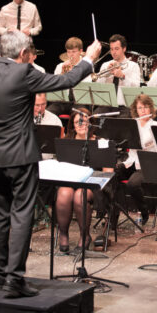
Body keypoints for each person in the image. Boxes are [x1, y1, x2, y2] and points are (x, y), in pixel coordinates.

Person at [0, 30, 100, 297]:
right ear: (22, 54)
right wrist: (89, 59)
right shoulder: (24, 72)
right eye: (30, 53)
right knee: (21, 216)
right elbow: (66, 79)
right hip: (19, 157)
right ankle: (14, 280)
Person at [56, 108, 96, 252]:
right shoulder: (67, 142)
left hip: (91, 184)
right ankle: (63, 234)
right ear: (72, 125)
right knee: (64, 194)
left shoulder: (97, 141)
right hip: (69, 181)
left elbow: (107, 170)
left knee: (80, 195)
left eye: (83, 122)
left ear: (90, 123)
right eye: (77, 122)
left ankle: (84, 236)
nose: (80, 125)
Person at [117, 94, 157, 225]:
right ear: (136, 110)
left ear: (151, 109)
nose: (143, 110)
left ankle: (144, 210)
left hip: (147, 164)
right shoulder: (132, 124)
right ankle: (113, 214)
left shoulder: (155, 125)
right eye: (140, 108)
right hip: (132, 161)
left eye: (146, 107)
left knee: (132, 184)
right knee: (113, 175)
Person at [93, 34, 141, 116]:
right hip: (107, 105)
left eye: (116, 49)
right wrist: (107, 74)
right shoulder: (105, 65)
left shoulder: (133, 66)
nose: (113, 52)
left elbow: (136, 87)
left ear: (124, 49)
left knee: (121, 123)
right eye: (111, 49)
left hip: (124, 107)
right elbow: (98, 86)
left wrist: (123, 76)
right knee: (94, 118)